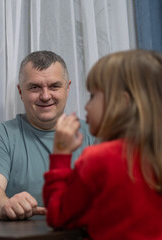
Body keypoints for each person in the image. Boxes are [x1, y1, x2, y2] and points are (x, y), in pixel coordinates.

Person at [43, 49, 162, 239]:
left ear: (122, 103)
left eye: (92, 96)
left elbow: (58, 217)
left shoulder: (99, 158)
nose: (86, 106)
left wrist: (61, 153)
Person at [0, 51, 95, 220]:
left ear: (68, 88)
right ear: (20, 91)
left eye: (54, 86)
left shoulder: (95, 133)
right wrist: (5, 205)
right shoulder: (0, 136)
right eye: (35, 87)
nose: (45, 96)